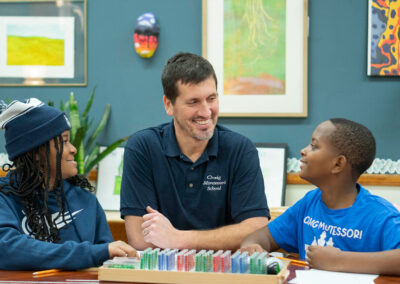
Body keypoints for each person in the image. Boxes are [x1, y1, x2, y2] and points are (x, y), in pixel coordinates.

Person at [121, 52, 269, 251]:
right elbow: (140, 239)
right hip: (163, 275)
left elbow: (257, 231)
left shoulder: (240, 149)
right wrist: (222, 239)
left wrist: (177, 238)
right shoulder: (142, 148)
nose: (206, 111)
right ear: (169, 105)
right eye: (193, 102)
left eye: (211, 98)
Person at [240, 118, 400, 275]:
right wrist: (252, 245)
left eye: (314, 146)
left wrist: (339, 261)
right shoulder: (309, 203)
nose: (303, 150)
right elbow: (264, 236)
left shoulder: (381, 215)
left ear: (338, 164)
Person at [0, 98, 137, 270]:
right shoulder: (4, 196)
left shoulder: (86, 200)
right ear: (36, 151)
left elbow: (106, 259)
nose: (74, 149)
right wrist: (91, 253)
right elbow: (6, 248)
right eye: (64, 141)